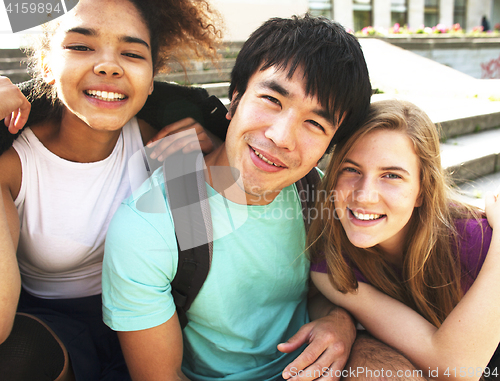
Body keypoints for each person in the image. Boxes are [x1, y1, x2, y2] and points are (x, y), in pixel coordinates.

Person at [102, 15, 427, 381]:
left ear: (329, 146)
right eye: (271, 99)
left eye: (315, 124)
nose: (281, 136)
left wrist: (340, 321)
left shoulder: (314, 193)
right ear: (235, 98)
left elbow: (319, 287)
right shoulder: (153, 225)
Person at [0, 0, 224, 379]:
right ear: (47, 68)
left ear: (152, 79)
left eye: (132, 53)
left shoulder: (170, 145)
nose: (108, 65)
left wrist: (218, 151)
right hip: (51, 334)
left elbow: (208, 259)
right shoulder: (13, 166)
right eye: (81, 47)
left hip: (151, 318)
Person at [309, 99, 500, 380]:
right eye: (351, 170)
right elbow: (452, 365)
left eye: (391, 175)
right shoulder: (334, 265)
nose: (364, 195)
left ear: (422, 191)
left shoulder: (480, 241)